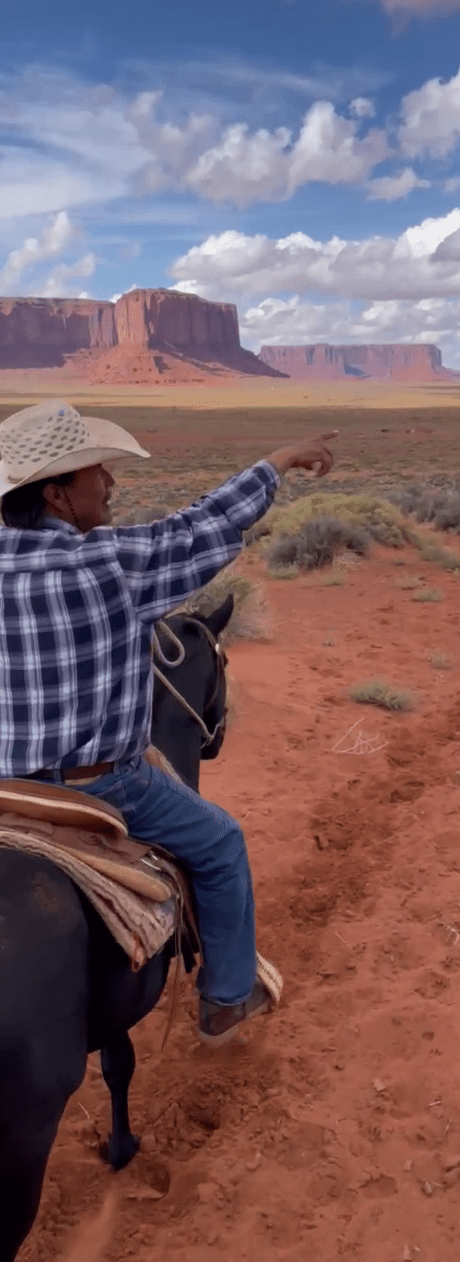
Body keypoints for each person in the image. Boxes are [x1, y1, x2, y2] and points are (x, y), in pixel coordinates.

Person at [0, 398, 336, 1044]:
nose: (111, 482)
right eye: (97, 470)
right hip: (101, 786)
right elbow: (200, 528)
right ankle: (227, 998)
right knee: (220, 843)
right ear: (59, 495)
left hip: (9, 784)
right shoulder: (110, 566)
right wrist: (278, 461)